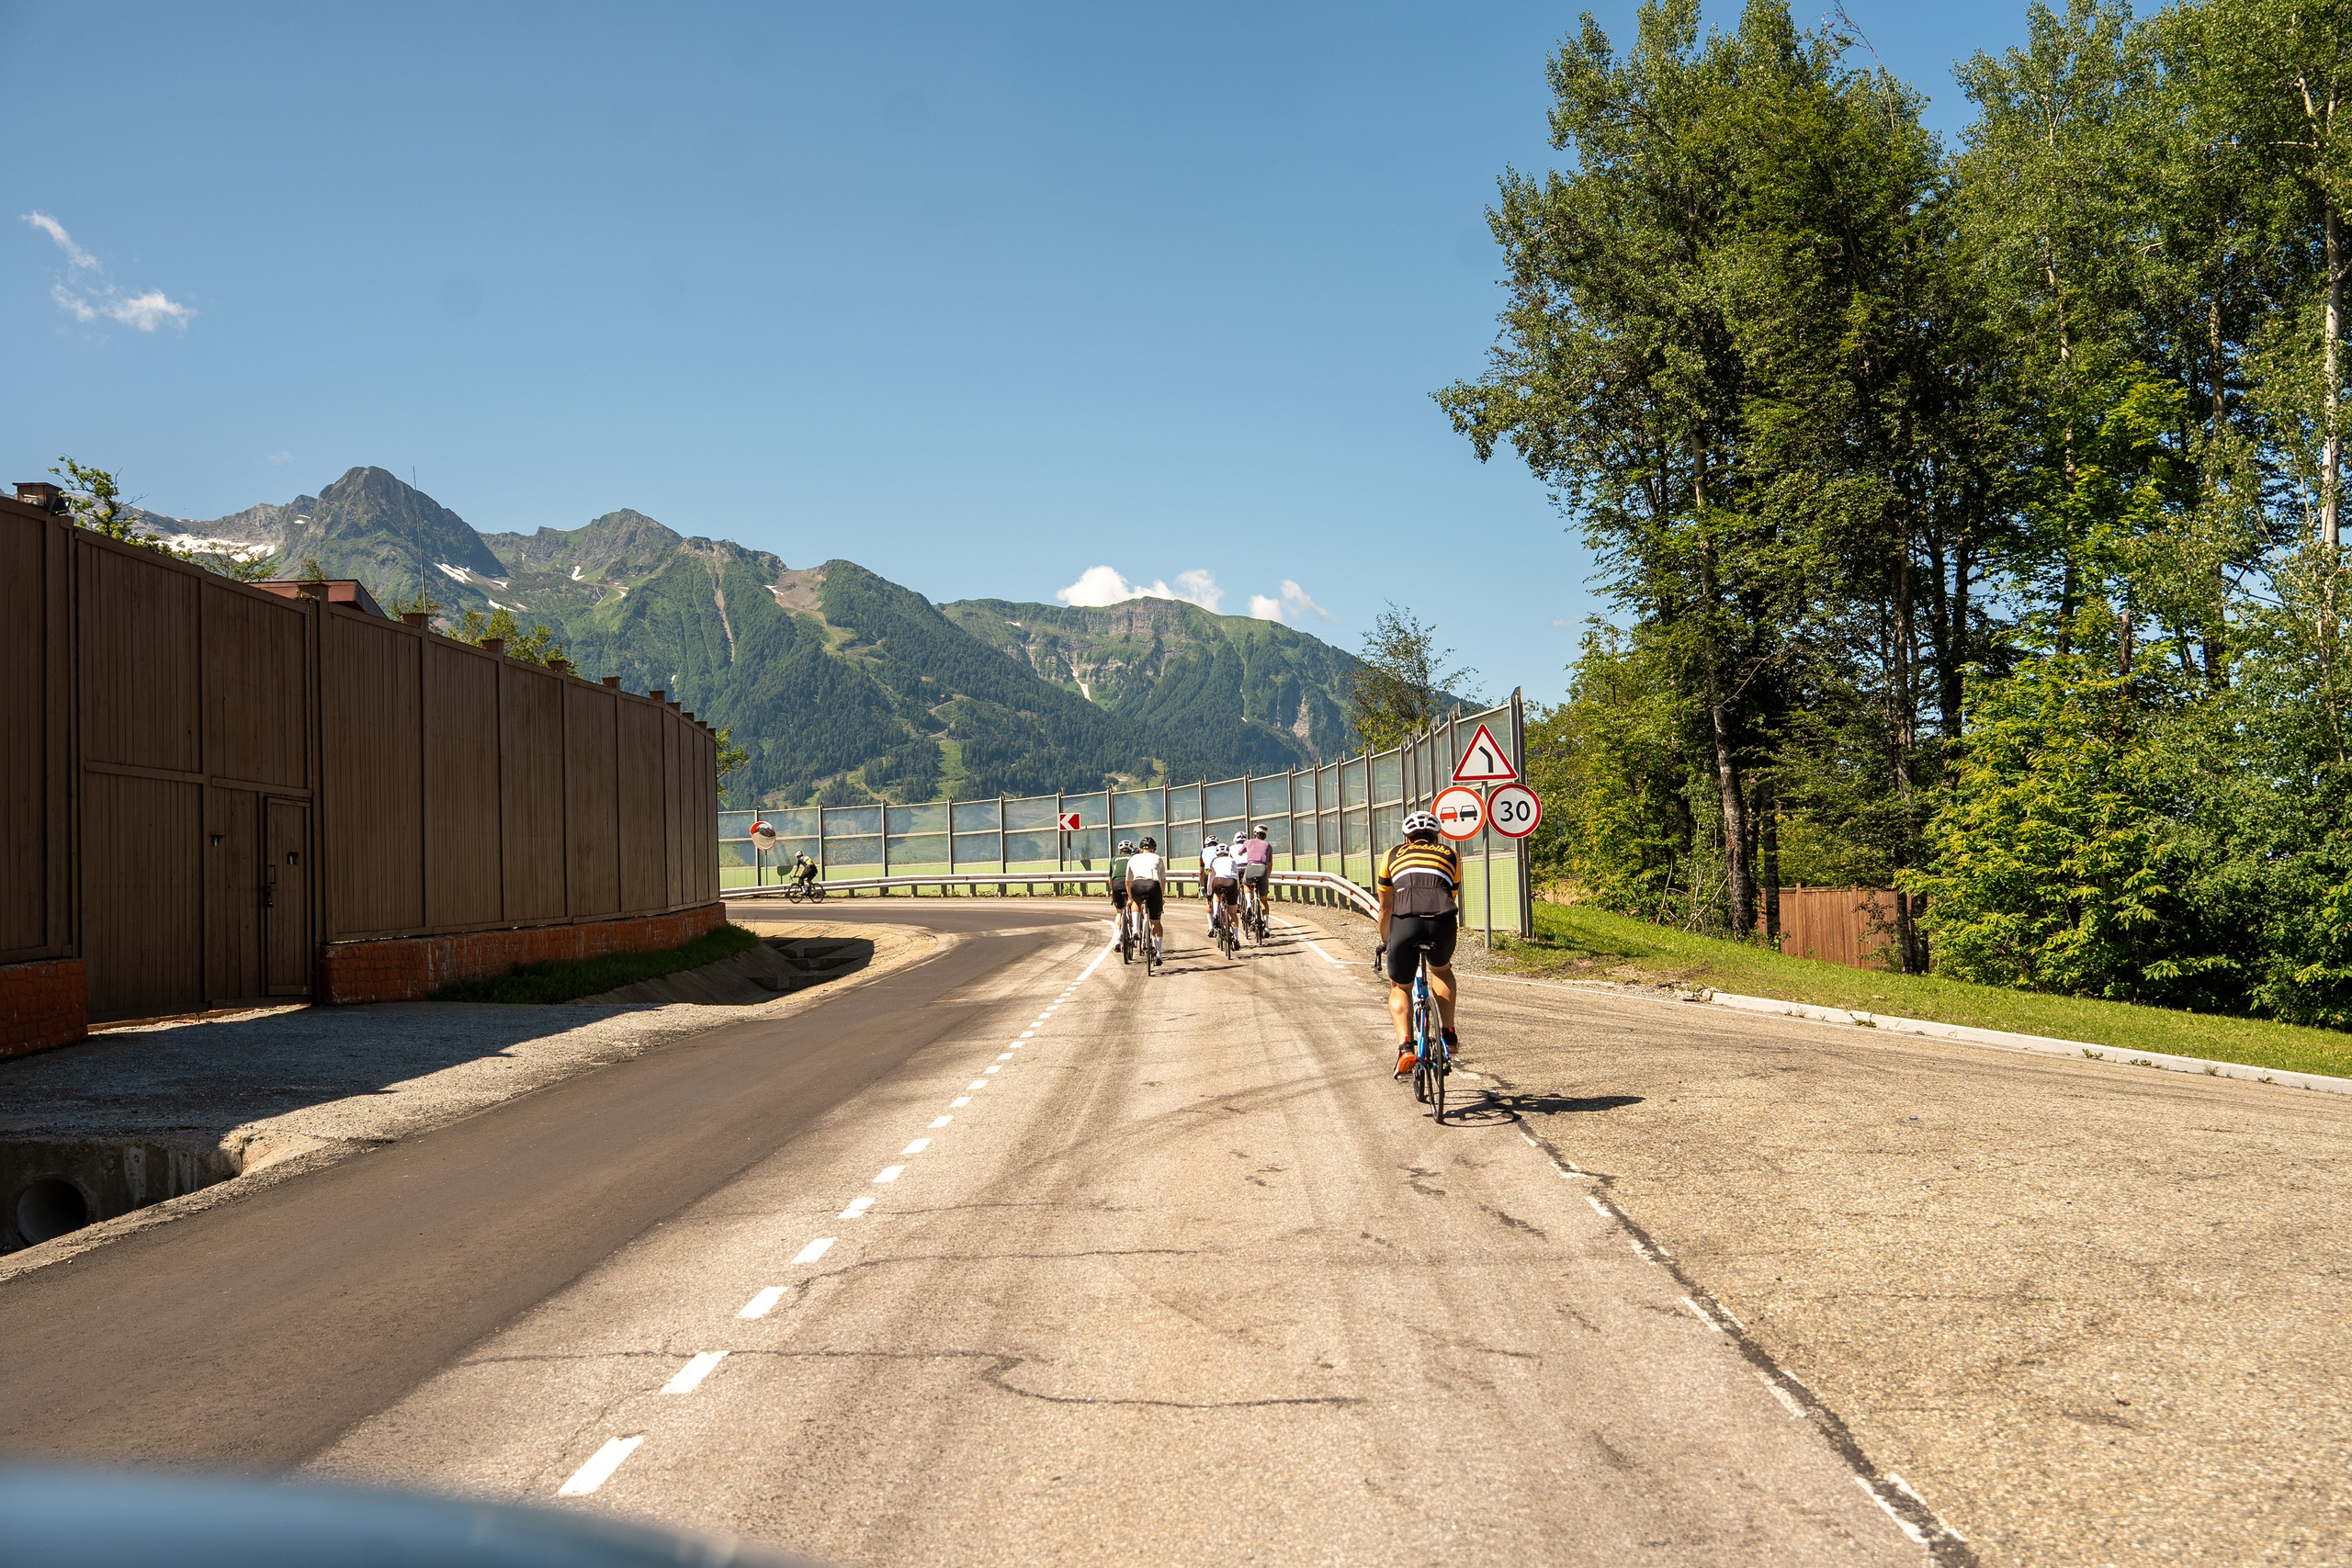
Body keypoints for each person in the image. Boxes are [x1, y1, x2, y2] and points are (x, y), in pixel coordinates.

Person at [1378, 809, 1462, 1079]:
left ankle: (1405, 1047)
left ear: (1407, 837)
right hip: (1443, 922)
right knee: (1441, 970)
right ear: (1436, 835)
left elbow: (1385, 908)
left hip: (1405, 923)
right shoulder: (1450, 854)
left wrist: (1386, 941)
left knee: (1399, 986)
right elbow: (1451, 893)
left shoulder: (1392, 855)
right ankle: (1448, 1034)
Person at [1125, 836, 1166, 960]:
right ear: (1154, 849)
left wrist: (1131, 898)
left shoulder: (1133, 858)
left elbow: (1128, 882)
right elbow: (1162, 881)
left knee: (1136, 903)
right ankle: (1158, 954)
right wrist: (1161, 897)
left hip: (1137, 884)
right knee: (1156, 922)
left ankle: (1136, 929)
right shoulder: (1158, 858)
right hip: (1153, 885)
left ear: (1141, 849)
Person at [1204, 837, 1241, 942]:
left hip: (1219, 881)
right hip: (1232, 883)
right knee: (1233, 913)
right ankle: (1236, 939)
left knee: (1216, 894)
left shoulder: (1215, 861)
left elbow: (1210, 879)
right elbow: (1237, 877)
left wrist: (1209, 893)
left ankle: (1216, 915)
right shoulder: (1232, 860)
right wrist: (1237, 891)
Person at [1238, 825, 1272, 928]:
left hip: (1251, 867)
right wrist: (1267, 877)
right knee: (1264, 900)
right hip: (1263, 869)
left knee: (1246, 884)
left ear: (1255, 834)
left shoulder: (1248, 842)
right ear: (1265, 836)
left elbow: (1240, 852)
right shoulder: (1268, 845)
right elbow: (1270, 864)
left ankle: (1248, 904)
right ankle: (1266, 927)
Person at [1109, 839, 1136, 937]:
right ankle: (1136, 927)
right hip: (1130, 883)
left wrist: (1113, 891)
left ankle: (1117, 939)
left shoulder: (1114, 859)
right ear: (1130, 850)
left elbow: (1110, 880)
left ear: (1120, 851)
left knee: (1119, 912)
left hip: (1117, 885)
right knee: (1135, 904)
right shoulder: (1134, 858)